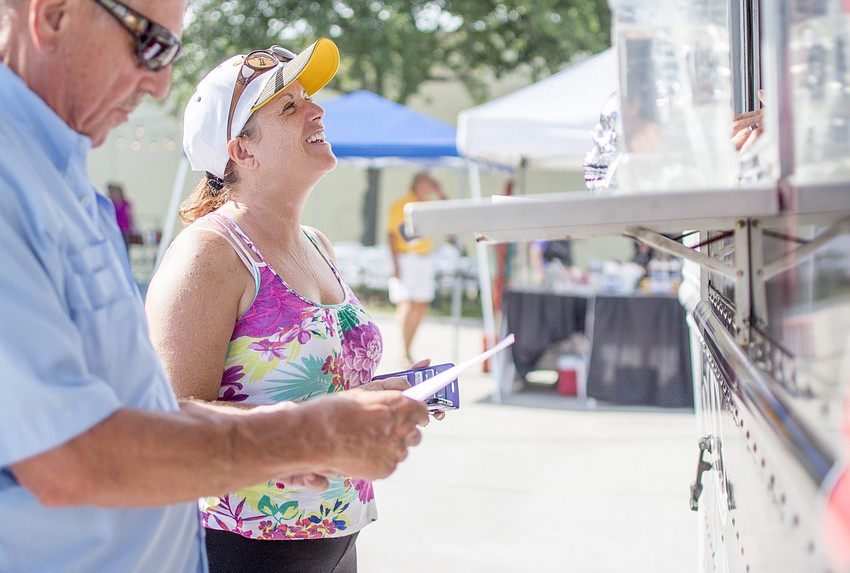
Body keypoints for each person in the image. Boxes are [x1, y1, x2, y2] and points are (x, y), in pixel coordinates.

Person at [0, 1, 429, 571]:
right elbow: (72, 453)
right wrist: (303, 437)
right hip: (244, 545)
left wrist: (354, 407)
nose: (159, 84)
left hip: (325, 533)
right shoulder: (205, 248)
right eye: (151, 44)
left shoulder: (62, 180)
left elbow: (142, 410)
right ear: (53, 16)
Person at [144, 39, 435, 573]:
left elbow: (323, 391)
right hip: (240, 544)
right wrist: (314, 424)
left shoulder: (318, 243)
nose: (317, 109)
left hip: (338, 533)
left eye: (309, 98)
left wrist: (379, 398)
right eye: (290, 106)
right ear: (242, 151)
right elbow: (166, 417)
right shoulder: (210, 254)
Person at [386, 172, 446, 363]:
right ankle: (404, 350)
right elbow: (392, 235)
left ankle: (409, 347)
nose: (428, 187)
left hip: (424, 259)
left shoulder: (429, 205)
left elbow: (450, 211)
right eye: (425, 183)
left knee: (421, 304)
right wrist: (395, 264)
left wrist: (440, 192)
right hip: (407, 258)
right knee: (407, 302)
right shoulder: (402, 204)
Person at [107, 181, 136, 247]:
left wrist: (132, 228)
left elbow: (130, 216)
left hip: (124, 230)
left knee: (124, 247)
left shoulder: (125, 204)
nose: (115, 195)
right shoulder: (111, 204)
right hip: (114, 230)